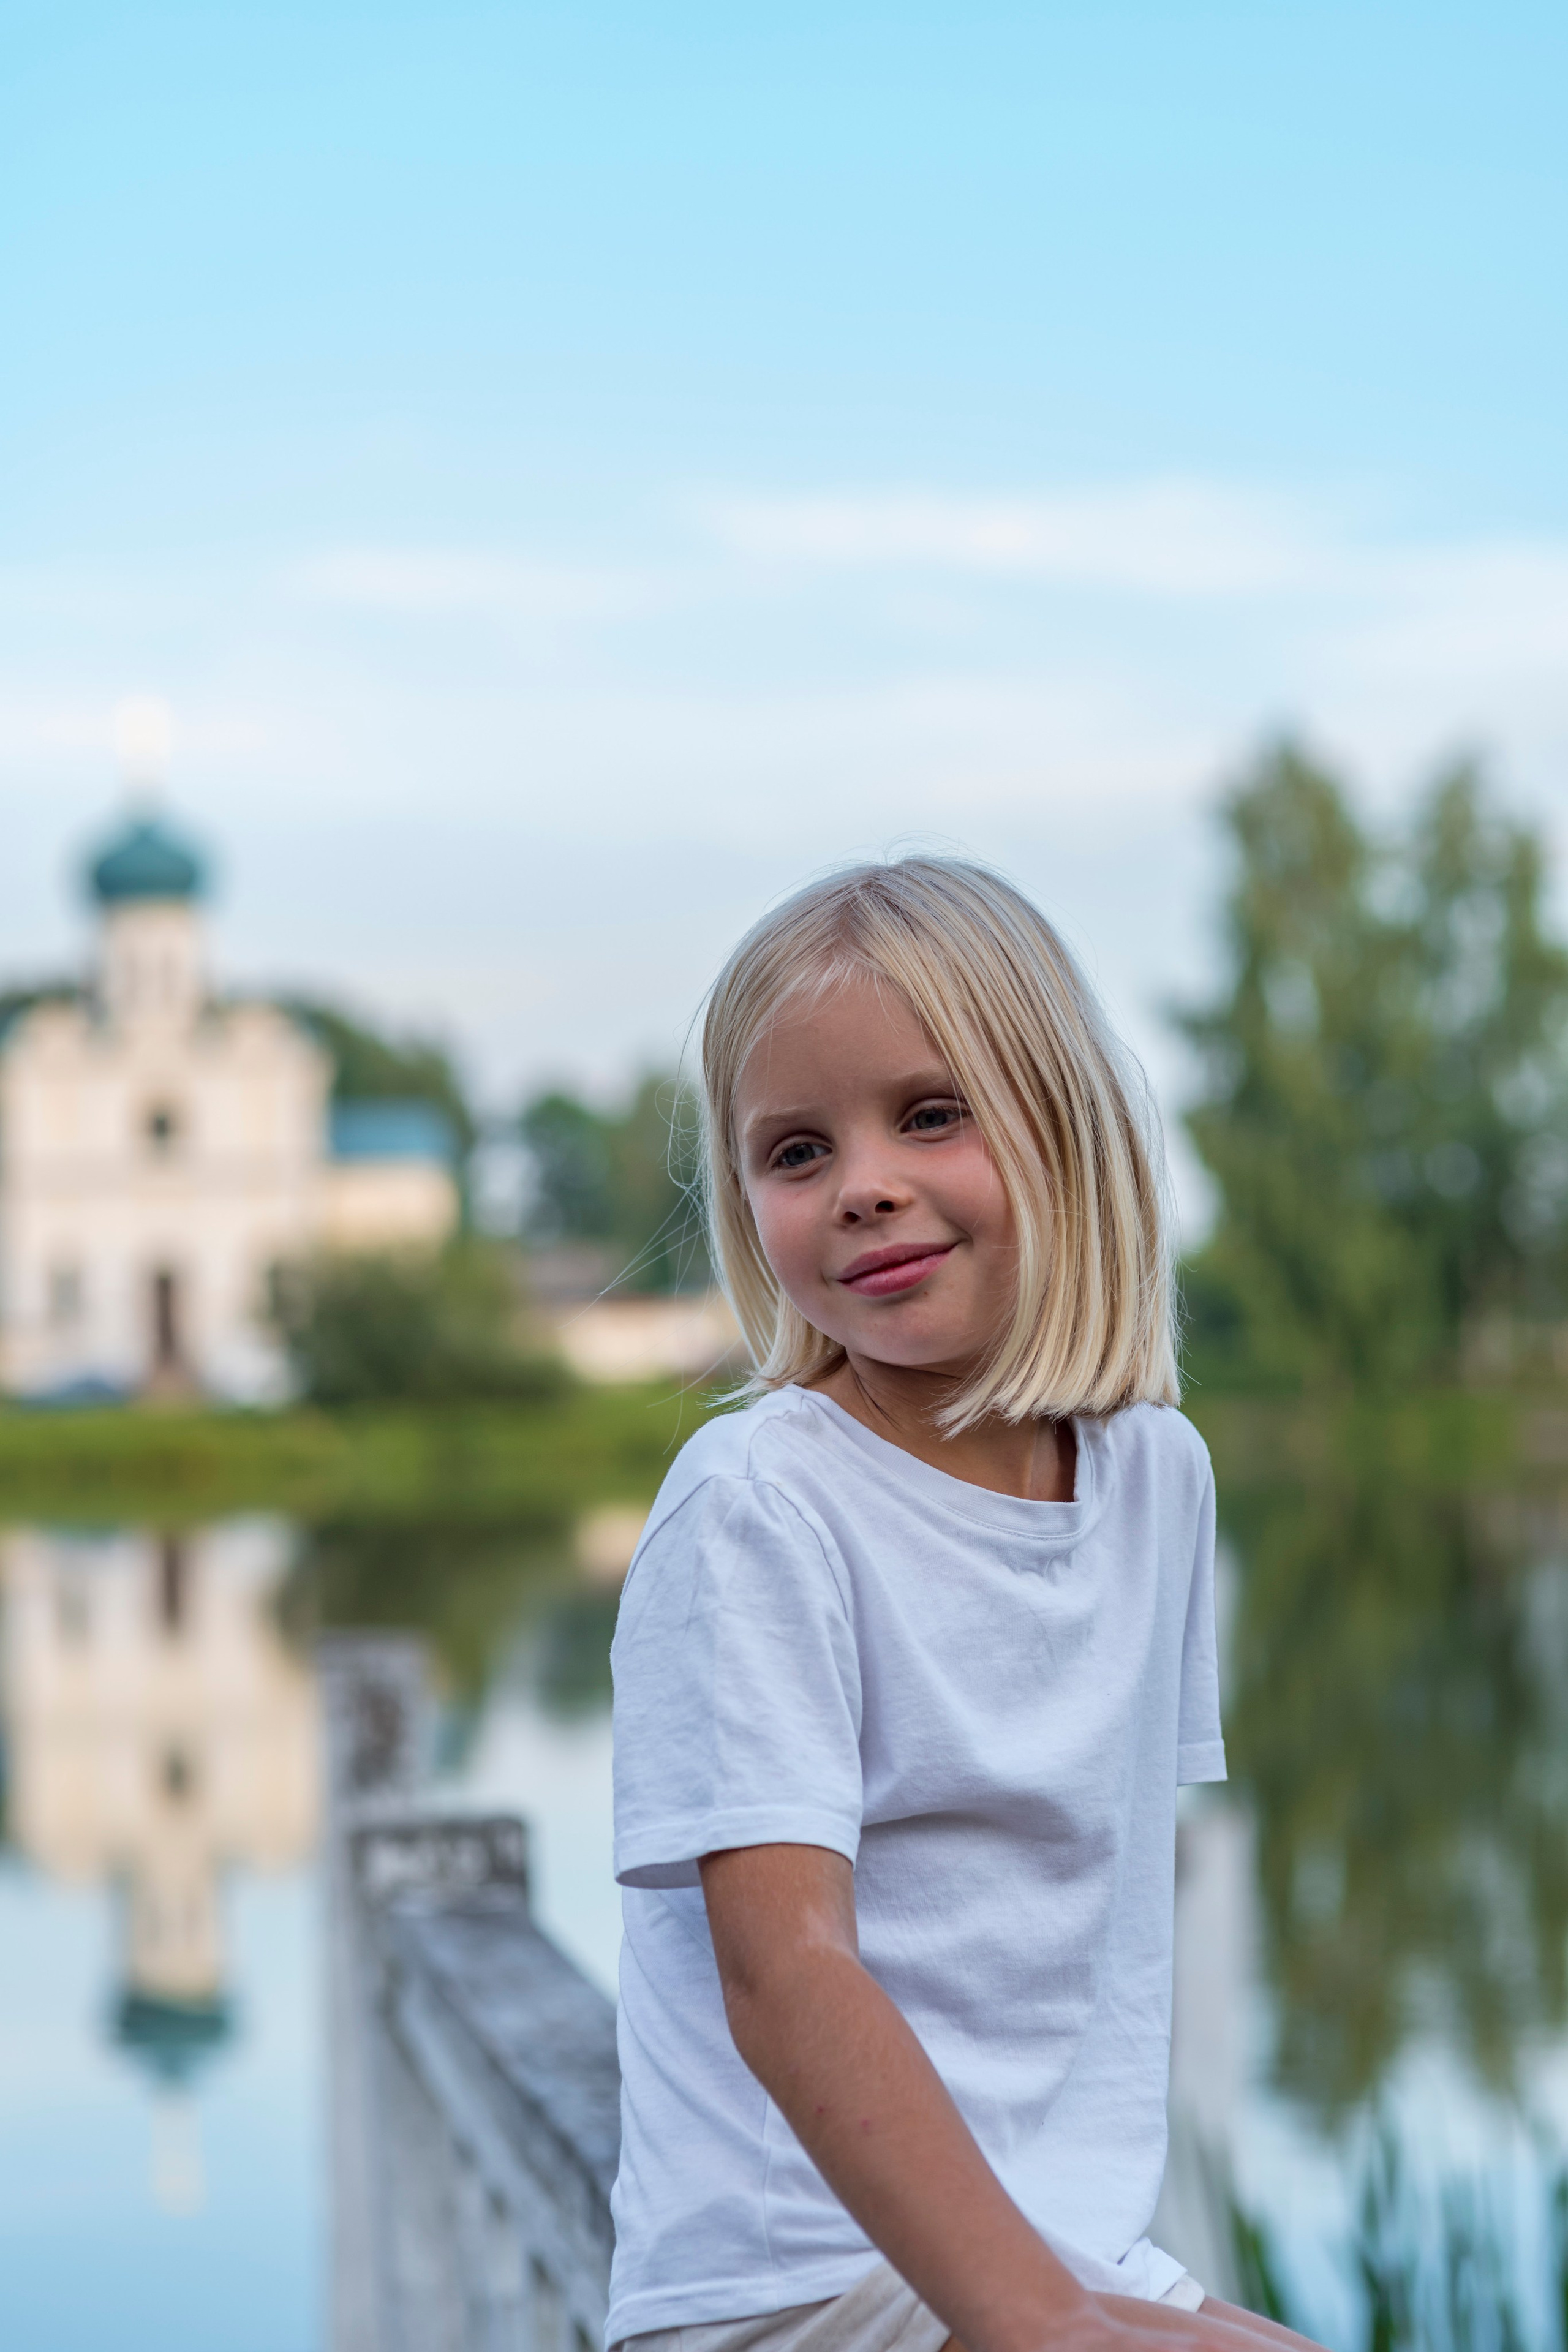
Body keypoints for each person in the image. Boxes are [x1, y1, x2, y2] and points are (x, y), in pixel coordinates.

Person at [608, 859, 1317, 2352]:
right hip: (790, 2284)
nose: (861, 1181)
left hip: (1055, 2251)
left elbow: (1082, 1909)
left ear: (1066, 1132)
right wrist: (1033, 2320)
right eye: (795, 1152)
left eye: (930, 1114)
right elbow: (781, 1967)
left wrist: (1083, 2295)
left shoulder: (1155, 1480)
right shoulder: (758, 1503)